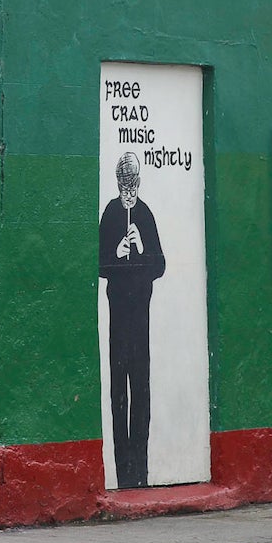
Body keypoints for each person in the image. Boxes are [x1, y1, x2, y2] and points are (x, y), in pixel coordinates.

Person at [98, 152, 165, 489]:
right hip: (118, 316)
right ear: (118, 184)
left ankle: (141, 469)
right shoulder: (112, 214)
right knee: (118, 392)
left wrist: (143, 250)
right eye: (124, 187)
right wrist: (118, 254)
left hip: (141, 316)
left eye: (133, 186)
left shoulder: (146, 214)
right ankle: (123, 469)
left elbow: (160, 266)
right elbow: (98, 266)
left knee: (141, 389)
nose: (128, 193)